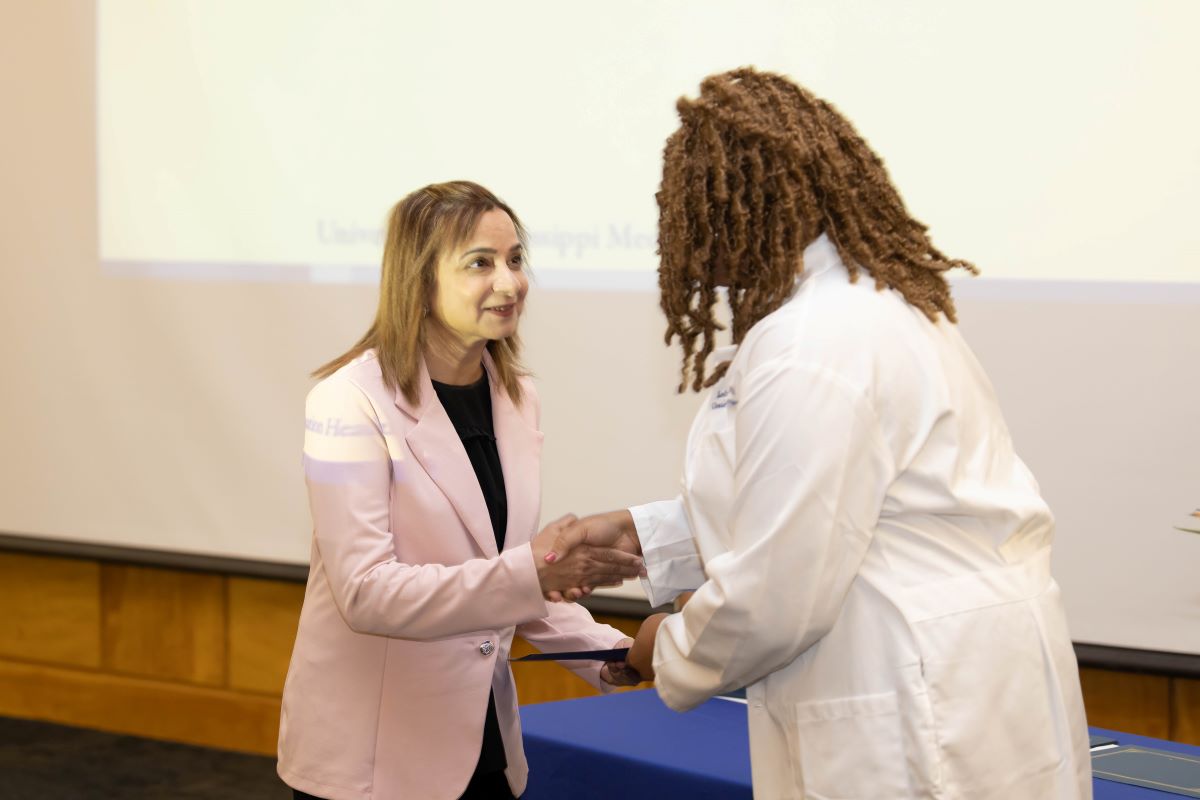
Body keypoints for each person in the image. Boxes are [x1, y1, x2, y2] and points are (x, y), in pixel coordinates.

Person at [548, 69, 1092, 798]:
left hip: (910, 698)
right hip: (965, 676)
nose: (679, 230)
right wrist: (646, 538)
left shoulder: (813, 342)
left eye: (688, 203)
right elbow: (826, 502)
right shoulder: (878, 308)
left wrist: (664, 647)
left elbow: (778, 590)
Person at [277, 181, 643, 800]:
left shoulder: (518, 396)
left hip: (482, 745)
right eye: (480, 263)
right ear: (419, 281)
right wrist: (535, 572)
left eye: (516, 259)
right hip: (373, 761)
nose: (509, 282)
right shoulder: (347, 402)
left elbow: (506, 578)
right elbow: (365, 593)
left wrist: (615, 652)